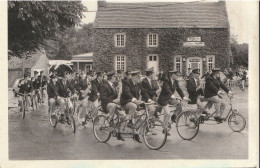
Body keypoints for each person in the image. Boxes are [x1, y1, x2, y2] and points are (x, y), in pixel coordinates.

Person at [157, 70, 189, 135]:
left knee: (180, 104)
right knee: (167, 113)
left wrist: (183, 97)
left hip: (170, 99)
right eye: (176, 75)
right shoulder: (166, 80)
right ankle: (164, 128)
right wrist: (171, 94)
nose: (178, 76)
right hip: (163, 100)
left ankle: (174, 116)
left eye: (178, 75)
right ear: (172, 75)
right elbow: (167, 88)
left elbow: (179, 89)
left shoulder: (176, 81)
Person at [100, 71, 125, 141]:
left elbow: (117, 96)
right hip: (106, 104)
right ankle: (109, 121)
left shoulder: (113, 85)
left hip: (113, 104)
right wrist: (113, 101)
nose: (116, 78)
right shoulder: (104, 85)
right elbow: (103, 98)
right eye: (115, 77)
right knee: (113, 105)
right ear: (111, 77)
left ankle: (119, 133)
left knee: (123, 116)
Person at [120, 70, 143, 143]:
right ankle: (128, 122)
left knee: (141, 118)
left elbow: (143, 91)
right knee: (133, 107)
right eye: (139, 77)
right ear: (134, 78)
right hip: (125, 102)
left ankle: (135, 134)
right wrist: (134, 100)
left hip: (134, 103)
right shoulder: (127, 82)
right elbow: (127, 93)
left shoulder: (137, 84)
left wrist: (147, 100)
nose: (140, 79)